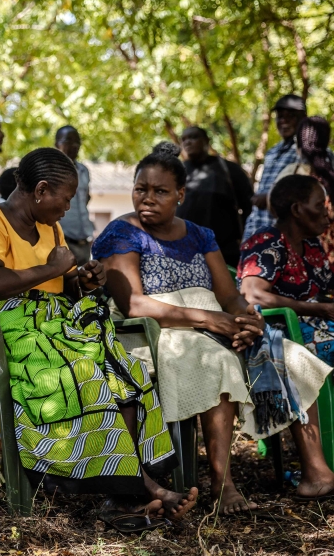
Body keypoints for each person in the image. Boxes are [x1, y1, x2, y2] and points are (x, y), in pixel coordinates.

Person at [0, 147, 196, 529]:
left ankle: (121, 495)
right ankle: (141, 490)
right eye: (68, 196)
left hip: (43, 325)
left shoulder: (50, 226)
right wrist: (50, 269)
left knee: (123, 370)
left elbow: (57, 286)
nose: (71, 205)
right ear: (42, 190)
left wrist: (81, 280)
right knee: (80, 375)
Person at [94, 145, 333, 513]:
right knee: (213, 360)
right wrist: (207, 319)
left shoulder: (201, 234)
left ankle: (316, 474)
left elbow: (229, 296)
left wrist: (245, 320)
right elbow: (134, 305)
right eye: (141, 188)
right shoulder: (123, 232)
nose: (148, 199)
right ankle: (224, 486)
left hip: (215, 323)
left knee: (291, 356)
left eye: (160, 191)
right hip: (160, 331)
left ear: (180, 195)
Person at [240, 174, 334, 366]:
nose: (327, 213)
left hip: (315, 324)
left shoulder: (311, 244)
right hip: (280, 330)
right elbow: (252, 295)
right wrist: (318, 309)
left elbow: (328, 286)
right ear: (297, 209)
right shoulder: (268, 241)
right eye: (319, 205)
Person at [176, 126, 253, 267]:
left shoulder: (229, 170)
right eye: (184, 139)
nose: (187, 142)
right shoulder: (176, 172)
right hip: (183, 252)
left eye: (193, 137)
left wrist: (246, 242)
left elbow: (249, 207)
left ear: (206, 141)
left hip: (224, 253)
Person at [243, 94, 308, 242]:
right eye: (279, 116)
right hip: (256, 231)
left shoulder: (309, 152)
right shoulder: (272, 151)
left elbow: (312, 194)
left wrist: (269, 198)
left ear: (303, 118)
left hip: (285, 238)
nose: (283, 120)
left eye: (290, 116)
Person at [272, 116, 334, 265]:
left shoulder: (291, 174)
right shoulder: (330, 174)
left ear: (299, 144)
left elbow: (273, 209)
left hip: (300, 260)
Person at [54, 125, 94, 264]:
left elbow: (85, 198)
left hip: (83, 242)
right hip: (61, 242)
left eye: (77, 141)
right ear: (56, 144)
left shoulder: (84, 170)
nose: (74, 145)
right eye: (68, 141)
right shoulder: (51, 169)